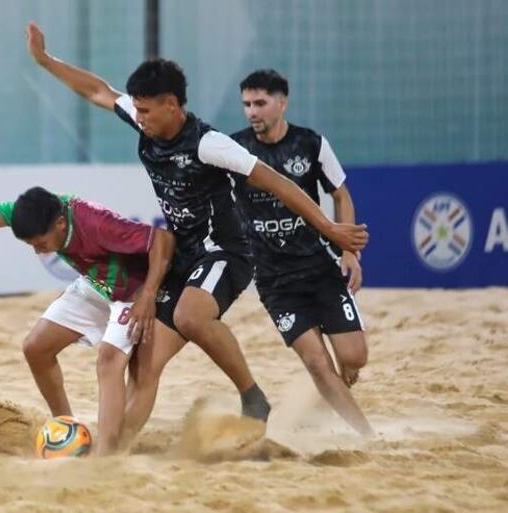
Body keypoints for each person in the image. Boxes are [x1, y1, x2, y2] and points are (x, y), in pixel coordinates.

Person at [25, 22, 369, 442]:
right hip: (186, 256)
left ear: (171, 105)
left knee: (190, 315)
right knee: (144, 361)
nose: (140, 117)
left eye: (147, 110)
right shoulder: (144, 116)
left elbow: (278, 182)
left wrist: (331, 228)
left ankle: (252, 394)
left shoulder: (210, 144)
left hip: (227, 253)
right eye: (139, 110)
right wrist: (46, 61)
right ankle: (113, 451)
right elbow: (98, 91)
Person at [0, 187, 175, 454]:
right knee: (36, 347)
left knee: (109, 361)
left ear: (61, 223)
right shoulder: (29, 211)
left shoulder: (94, 221)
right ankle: (67, 427)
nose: (38, 252)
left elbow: (161, 240)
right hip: (96, 286)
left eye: (40, 243)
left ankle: (105, 455)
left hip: (133, 293)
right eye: (31, 245)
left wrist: (149, 295)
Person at [230, 69, 373, 436]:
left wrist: (349, 253)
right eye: (246, 104)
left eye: (260, 103)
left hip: (320, 267)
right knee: (316, 362)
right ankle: (365, 436)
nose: (252, 112)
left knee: (354, 358)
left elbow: (340, 194)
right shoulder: (234, 149)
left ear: (282, 102)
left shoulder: (310, 144)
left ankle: (334, 390)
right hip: (275, 280)